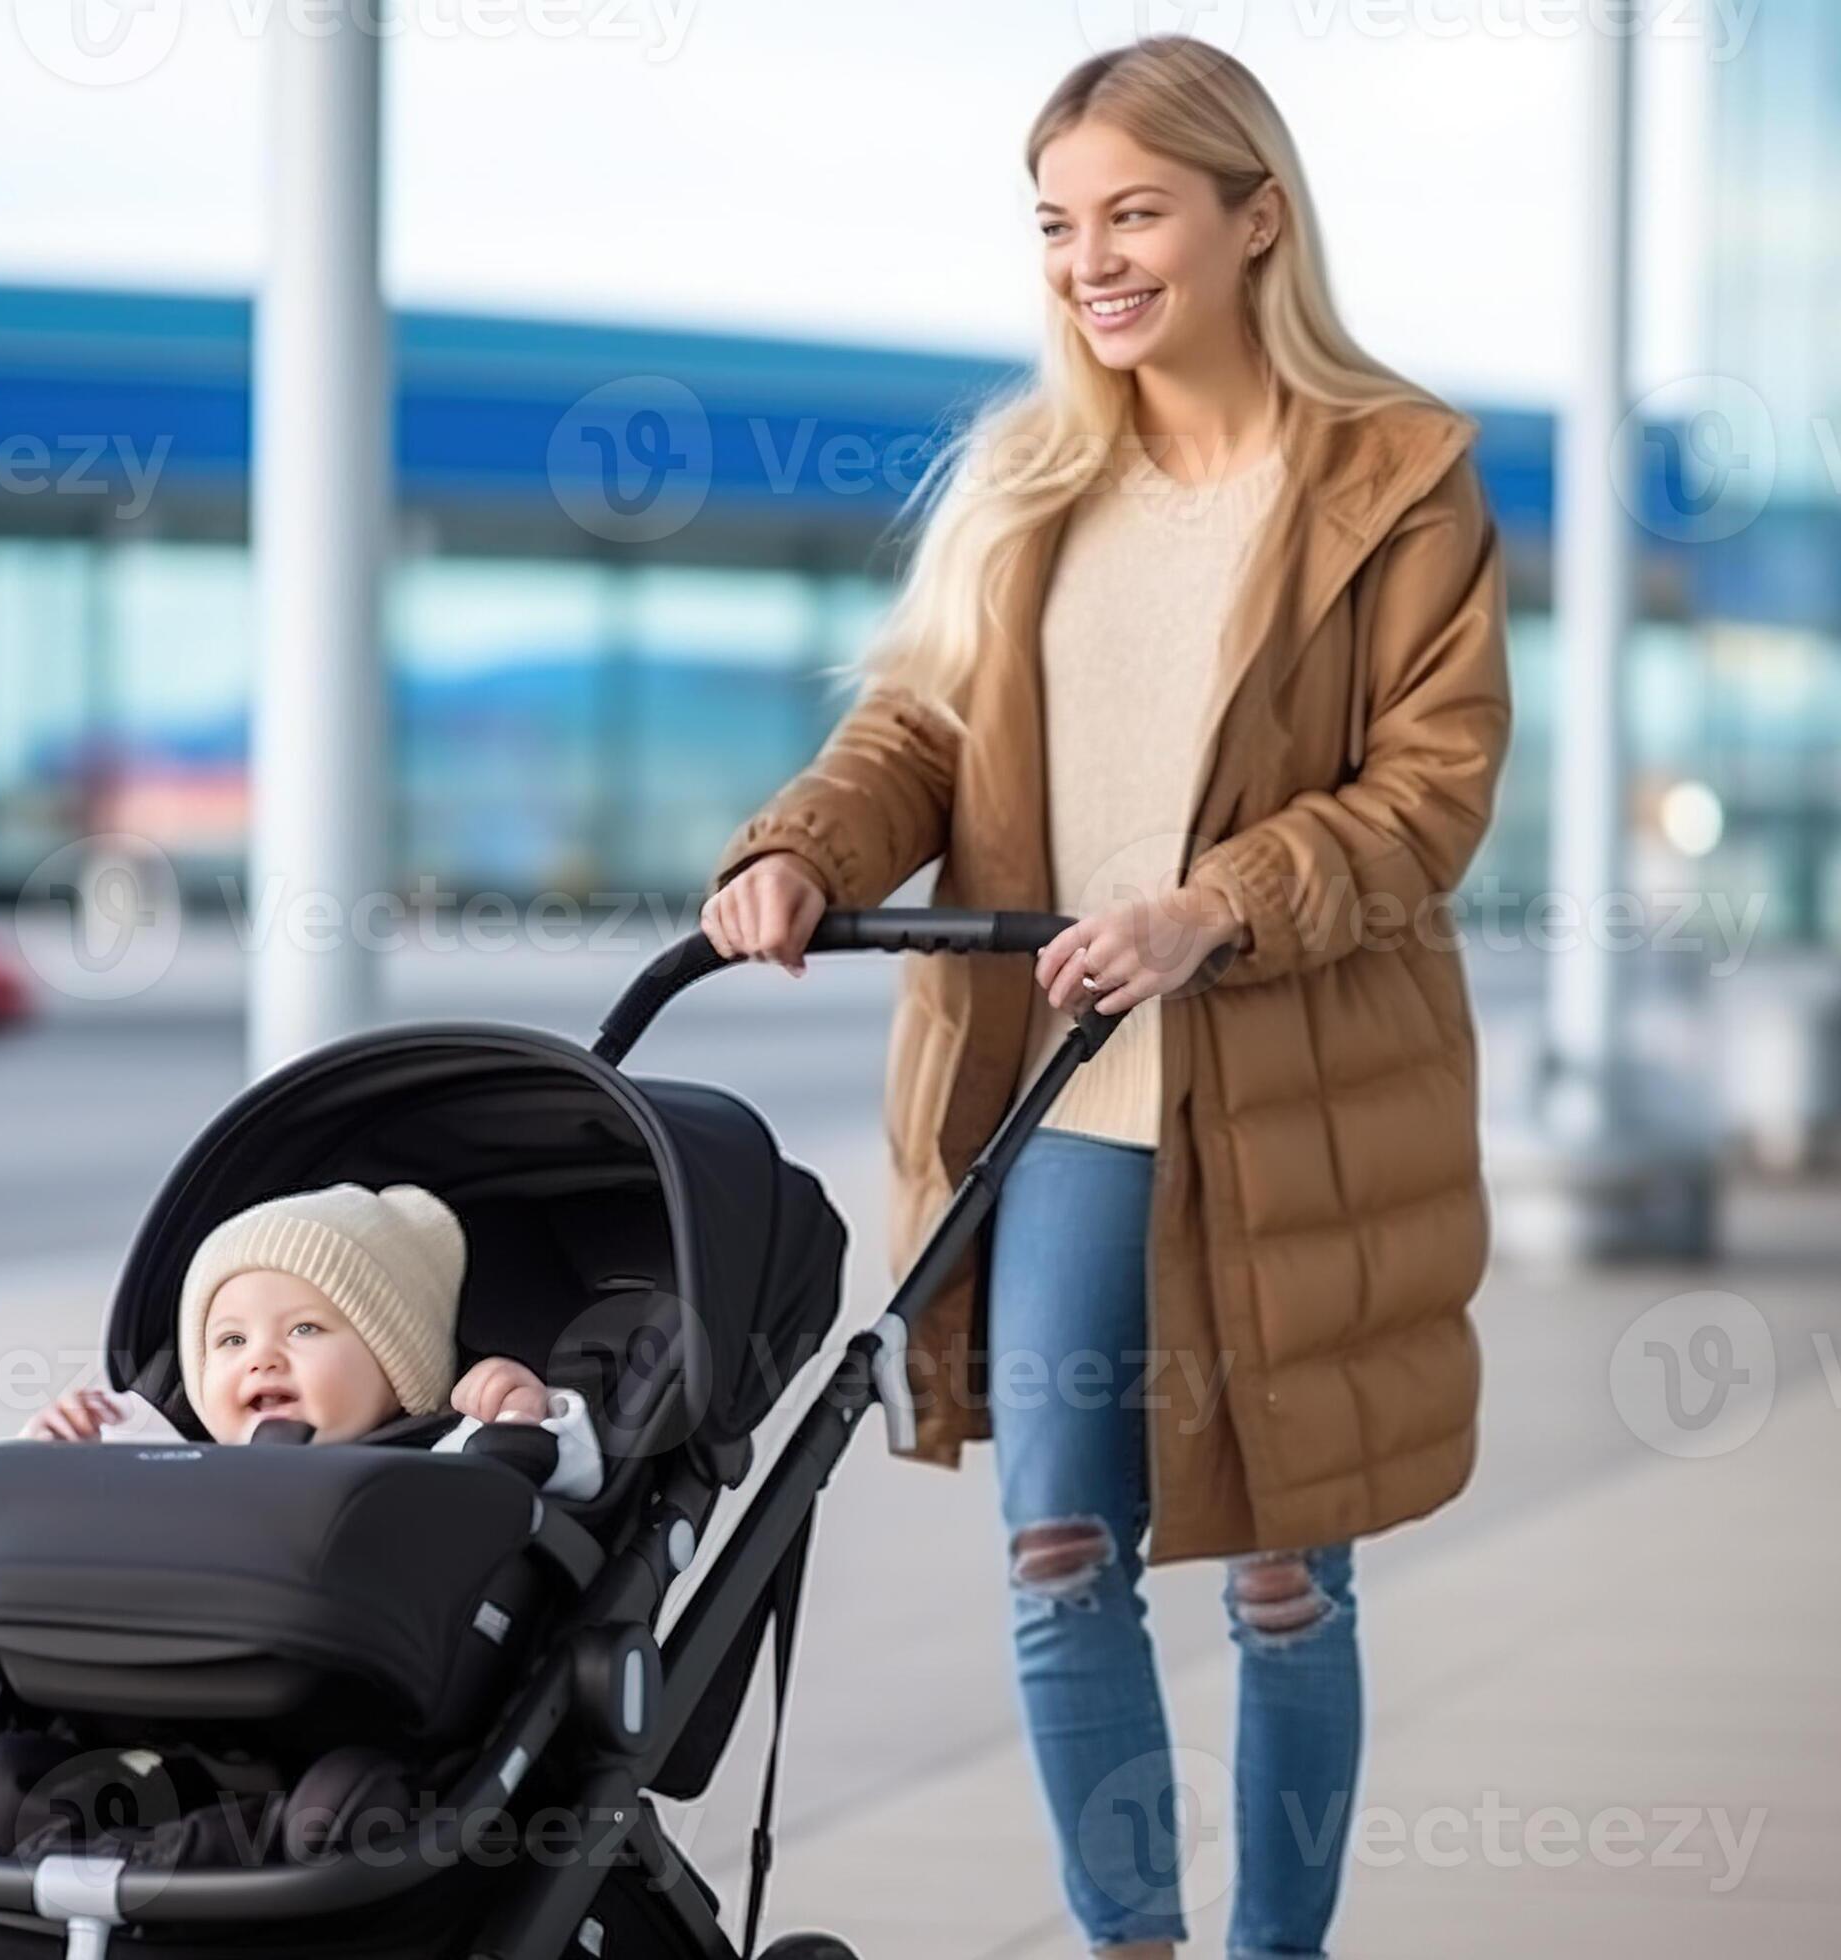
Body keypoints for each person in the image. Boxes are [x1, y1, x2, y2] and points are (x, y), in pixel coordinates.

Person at [701, 36, 1509, 1960]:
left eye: (1135, 213)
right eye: (1059, 225)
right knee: (1062, 1559)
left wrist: (1211, 906)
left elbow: (1432, 790)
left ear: (1256, 219)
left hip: (1289, 1090)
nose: (1092, 262)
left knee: (1284, 1580)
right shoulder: (1033, 477)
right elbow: (923, 726)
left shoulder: (1398, 481)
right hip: (1055, 1105)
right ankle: (1129, 1945)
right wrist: (806, 843)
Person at [24, 1181, 603, 1498]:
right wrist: (54, 1452)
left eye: (304, 1329)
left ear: (398, 1365)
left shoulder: (442, 1462)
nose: (262, 1359)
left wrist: (522, 1419)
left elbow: (561, 1478)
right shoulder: (162, 1454)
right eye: (229, 1341)